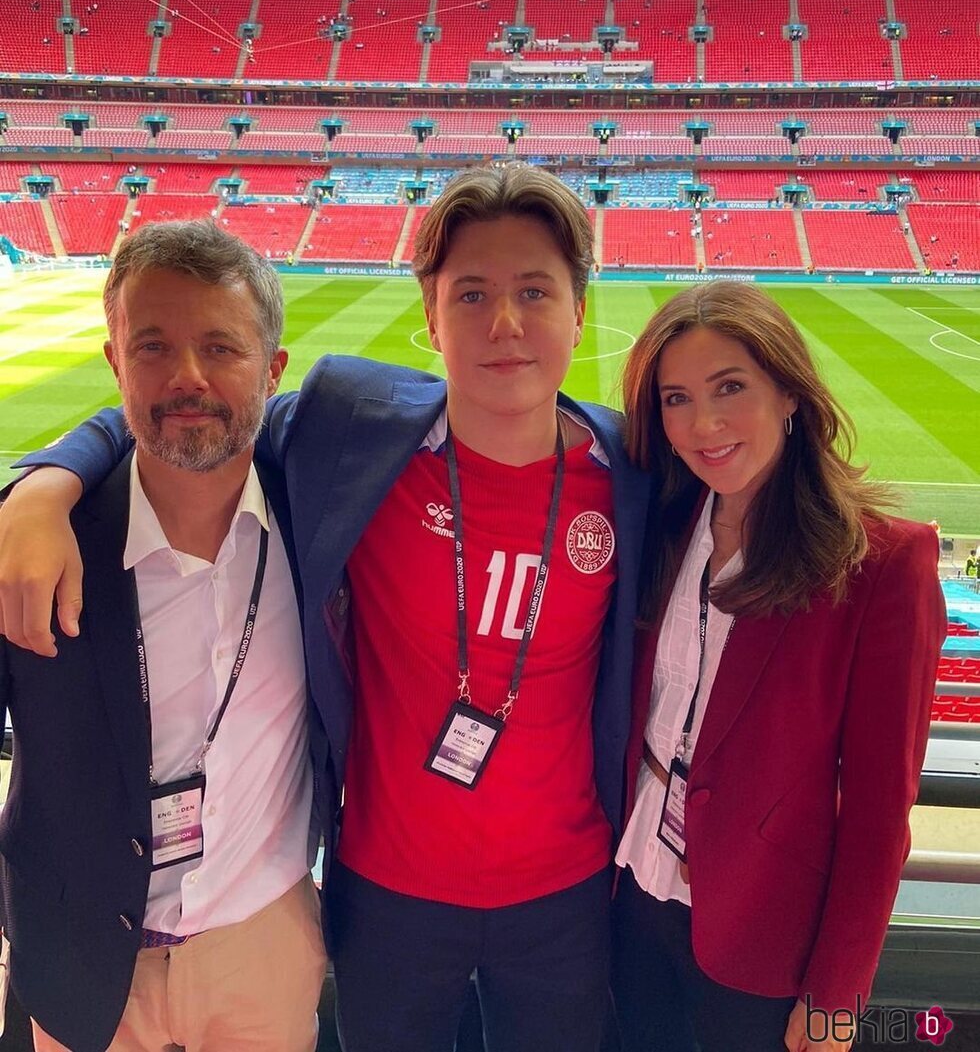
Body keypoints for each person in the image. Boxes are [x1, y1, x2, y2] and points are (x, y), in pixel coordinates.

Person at [0, 166, 649, 1052]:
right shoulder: (355, 441)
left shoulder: (636, 477)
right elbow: (176, 416)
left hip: (549, 897)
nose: (503, 323)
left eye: (534, 291)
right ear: (430, 314)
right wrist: (41, 485)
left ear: (582, 309)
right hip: (373, 898)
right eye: (472, 293)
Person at [0, 221, 327, 1052]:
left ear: (274, 369)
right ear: (114, 362)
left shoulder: (318, 515)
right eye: (152, 346)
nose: (188, 378)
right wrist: (40, 488)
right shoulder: (37, 544)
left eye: (222, 347)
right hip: (80, 967)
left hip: (263, 944)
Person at [611, 281, 945, 1052]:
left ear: (789, 391)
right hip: (629, 892)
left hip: (762, 937)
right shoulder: (660, 515)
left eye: (731, 387)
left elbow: (876, 813)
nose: (705, 423)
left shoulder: (881, 563)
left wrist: (836, 1002)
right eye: (677, 397)